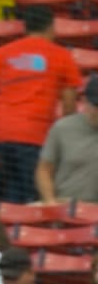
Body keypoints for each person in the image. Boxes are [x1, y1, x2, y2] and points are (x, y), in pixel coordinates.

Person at [0, 6, 81, 204]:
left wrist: (6, 97)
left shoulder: (3, 52)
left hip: (1, 131)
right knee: (33, 196)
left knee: (11, 192)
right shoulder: (61, 55)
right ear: (51, 27)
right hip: (34, 133)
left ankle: (9, 229)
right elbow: (69, 105)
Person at [36, 74, 98, 204]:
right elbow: (44, 170)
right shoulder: (63, 128)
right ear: (85, 102)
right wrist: (50, 201)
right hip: (67, 204)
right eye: (96, 106)